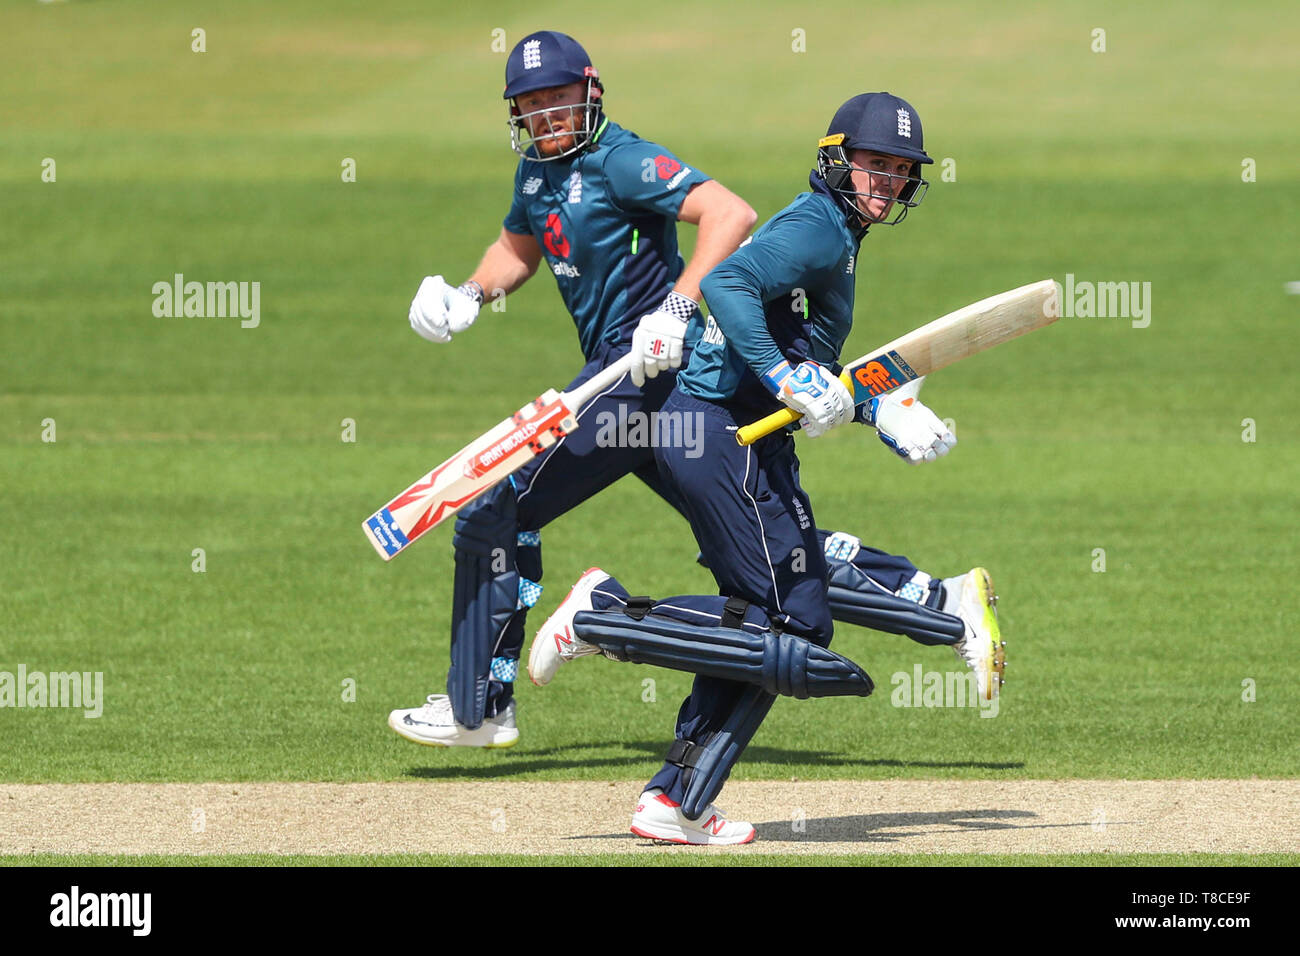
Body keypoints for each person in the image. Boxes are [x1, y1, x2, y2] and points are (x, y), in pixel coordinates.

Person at [389, 33, 998, 752]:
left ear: (590, 93)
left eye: (556, 98)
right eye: (529, 104)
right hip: (653, 393)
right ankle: (940, 600)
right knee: (761, 560)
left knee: (496, 503)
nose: (546, 114)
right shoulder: (535, 175)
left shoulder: (623, 159)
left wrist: (674, 308)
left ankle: (480, 702)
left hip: (644, 374)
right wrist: (470, 294)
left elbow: (729, 215)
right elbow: (519, 247)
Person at [528, 92, 1004, 845]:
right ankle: (605, 617)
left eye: (899, 172)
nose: (884, 182)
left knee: (774, 624)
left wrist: (879, 409)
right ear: (837, 159)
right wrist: (788, 381)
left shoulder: (840, 235)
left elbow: (803, 347)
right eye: (872, 165)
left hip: (737, 438)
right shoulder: (816, 227)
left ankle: (674, 800)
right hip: (712, 433)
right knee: (793, 623)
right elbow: (728, 284)